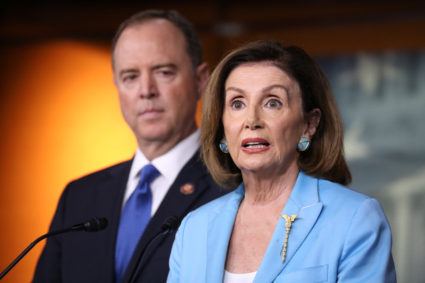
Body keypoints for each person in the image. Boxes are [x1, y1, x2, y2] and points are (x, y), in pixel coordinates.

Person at [167, 40, 396, 282]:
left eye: (272, 103)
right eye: (237, 103)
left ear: (309, 125)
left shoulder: (355, 219)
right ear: (223, 128)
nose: (251, 120)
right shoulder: (194, 228)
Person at [33, 9, 226, 283]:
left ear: (200, 80)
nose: (146, 90)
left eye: (164, 72)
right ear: (117, 87)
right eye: (130, 77)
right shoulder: (78, 197)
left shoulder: (232, 187)